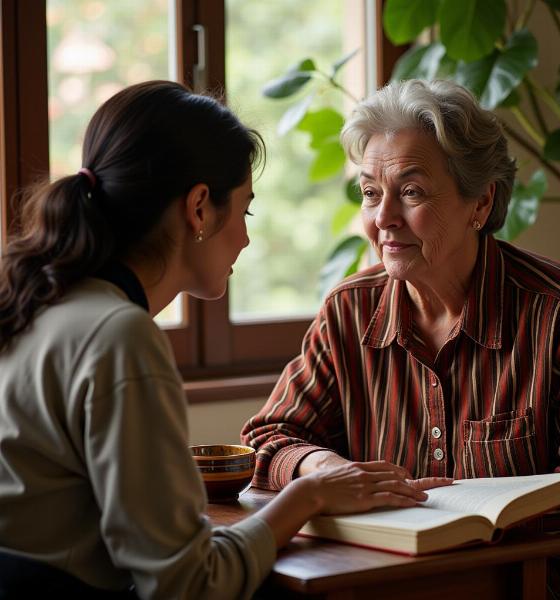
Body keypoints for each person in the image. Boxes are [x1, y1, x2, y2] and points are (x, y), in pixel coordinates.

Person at [0, 81, 452, 599]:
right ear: (198, 209)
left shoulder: (35, 305)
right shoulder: (118, 336)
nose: (245, 236)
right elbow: (189, 586)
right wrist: (307, 495)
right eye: (245, 210)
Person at [242, 79, 560, 598]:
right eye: (370, 193)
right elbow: (267, 439)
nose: (383, 218)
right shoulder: (349, 312)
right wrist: (325, 470)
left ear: (480, 203)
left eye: (410, 192)